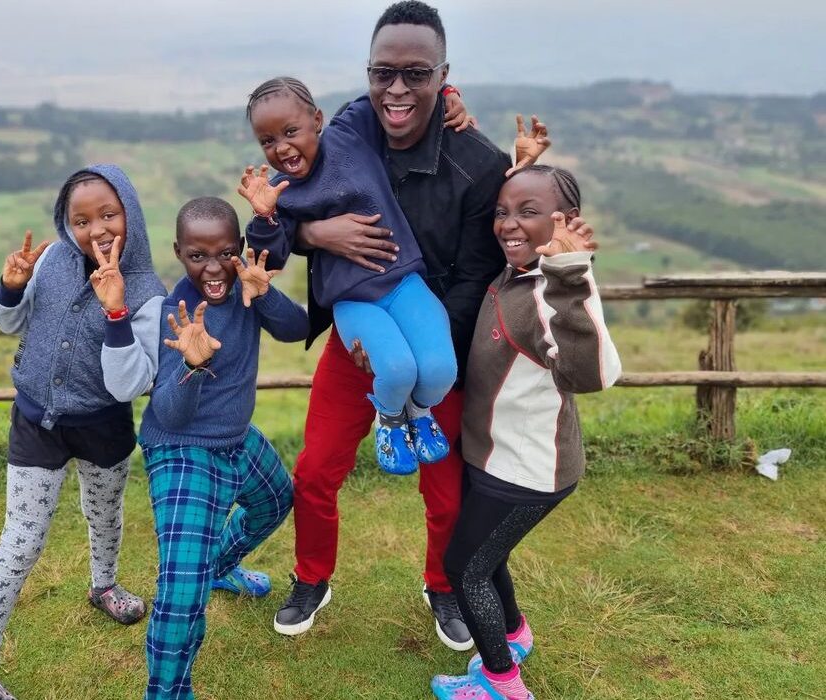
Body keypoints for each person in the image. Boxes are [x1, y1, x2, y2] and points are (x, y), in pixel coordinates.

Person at [271, 0, 536, 651]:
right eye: (382, 72)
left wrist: (414, 351)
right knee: (316, 471)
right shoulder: (343, 136)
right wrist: (312, 230)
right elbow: (277, 208)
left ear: (443, 76)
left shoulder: (479, 164)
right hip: (353, 338)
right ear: (367, 72)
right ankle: (312, 576)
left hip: (434, 342)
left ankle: (443, 585)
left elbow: (478, 277)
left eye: (415, 74)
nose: (396, 89)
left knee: (445, 486)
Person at [0, 164, 166, 700]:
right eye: (80, 219)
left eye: (108, 215)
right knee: (21, 541)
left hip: (103, 425)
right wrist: (10, 288)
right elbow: (11, 323)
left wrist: (116, 309)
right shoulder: (51, 260)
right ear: (64, 223)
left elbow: (131, 385)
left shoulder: (146, 291)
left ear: (131, 215)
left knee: (105, 515)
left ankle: (104, 587)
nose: (95, 229)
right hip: (37, 422)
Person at [431, 164, 621, 700]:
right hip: (497, 458)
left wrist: (568, 273)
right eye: (502, 212)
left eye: (527, 213)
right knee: (487, 559)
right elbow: (523, 222)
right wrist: (522, 173)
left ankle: (501, 683)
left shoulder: (553, 290)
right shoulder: (520, 270)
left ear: (566, 223)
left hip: (527, 469)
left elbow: (592, 374)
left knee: (463, 570)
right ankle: (514, 635)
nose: (508, 225)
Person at [239, 75, 460, 476]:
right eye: (268, 141)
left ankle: (419, 411)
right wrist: (265, 214)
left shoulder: (351, 131)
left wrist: (447, 94)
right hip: (354, 301)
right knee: (395, 369)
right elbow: (268, 258)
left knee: (441, 367)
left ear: (318, 120)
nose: (282, 147)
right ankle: (391, 421)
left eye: (291, 131)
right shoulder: (280, 192)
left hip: (405, 281)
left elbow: (396, 93)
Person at [138, 197, 307, 700]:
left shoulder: (245, 291)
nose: (213, 268)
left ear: (240, 249)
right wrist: (190, 365)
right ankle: (166, 692)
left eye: (224, 253)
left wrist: (265, 293)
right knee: (180, 592)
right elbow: (169, 413)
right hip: (183, 449)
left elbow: (298, 330)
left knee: (275, 500)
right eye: (197, 255)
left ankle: (219, 568)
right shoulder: (177, 314)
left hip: (235, 439)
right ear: (179, 252)